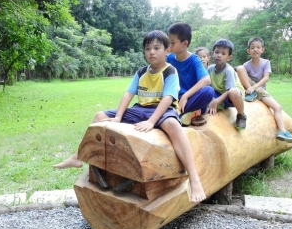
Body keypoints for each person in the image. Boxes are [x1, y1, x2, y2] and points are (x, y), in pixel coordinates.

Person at [53, 30, 206, 203]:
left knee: (174, 127)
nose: (152, 52)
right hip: (140, 108)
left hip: (162, 109)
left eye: (157, 48)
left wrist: (152, 121)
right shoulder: (141, 72)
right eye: (148, 48)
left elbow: (167, 99)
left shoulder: (170, 72)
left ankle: (194, 179)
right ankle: (77, 157)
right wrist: (118, 117)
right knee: (99, 116)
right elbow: (128, 94)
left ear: (167, 50)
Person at [236, 37, 292, 143]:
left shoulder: (266, 63)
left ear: (262, 50)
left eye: (258, 47)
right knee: (240, 68)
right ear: (248, 51)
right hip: (249, 86)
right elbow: (241, 76)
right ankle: (252, 93)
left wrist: (254, 88)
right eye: (252, 48)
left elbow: (266, 78)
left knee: (277, 107)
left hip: (259, 89)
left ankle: (282, 131)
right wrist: (248, 88)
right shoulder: (246, 65)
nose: (255, 49)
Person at [166, 22, 214, 126]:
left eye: (172, 42)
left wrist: (185, 96)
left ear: (185, 43)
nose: (169, 45)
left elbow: (206, 80)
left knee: (208, 91)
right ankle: (185, 114)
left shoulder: (194, 60)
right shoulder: (169, 58)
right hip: (172, 99)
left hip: (190, 99)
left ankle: (176, 114)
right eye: (168, 42)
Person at [206, 39, 247, 130]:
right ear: (212, 53)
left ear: (229, 57)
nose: (219, 55)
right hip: (220, 93)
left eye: (223, 54)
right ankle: (220, 105)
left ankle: (241, 115)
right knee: (206, 91)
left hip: (233, 95)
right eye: (217, 52)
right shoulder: (210, 69)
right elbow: (208, 85)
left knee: (233, 91)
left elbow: (229, 90)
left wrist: (216, 101)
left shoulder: (228, 70)